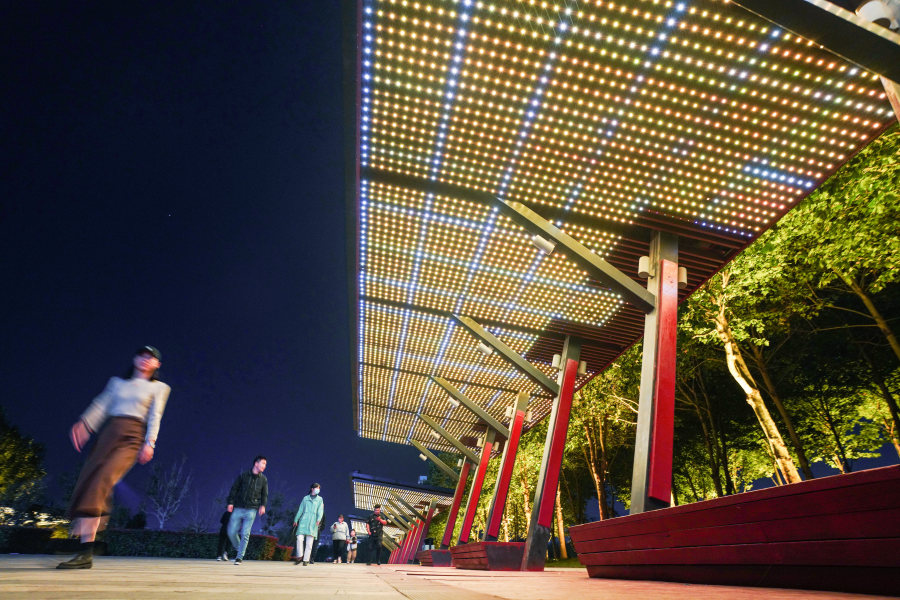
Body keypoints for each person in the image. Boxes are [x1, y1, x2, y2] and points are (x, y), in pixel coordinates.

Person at [57, 346, 170, 570]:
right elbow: (101, 405)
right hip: (108, 435)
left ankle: (87, 550)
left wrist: (150, 443)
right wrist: (85, 424)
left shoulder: (159, 388)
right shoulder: (117, 383)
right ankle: (85, 552)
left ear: (157, 365)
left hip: (132, 437)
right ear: (135, 359)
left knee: (102, 480)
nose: (146, 359)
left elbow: (155, 416)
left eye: (151, 358)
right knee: (90, 483)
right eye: (142, 355)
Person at [225, 455, 268, 565]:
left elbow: (264, 494)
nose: (264, 466)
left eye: (265, 464)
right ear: (256, 463)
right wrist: (230, 502)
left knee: (245, 533)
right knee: (231, 532)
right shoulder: (243, 476)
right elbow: (234, 489)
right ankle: (239, 548)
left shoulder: (263, 479)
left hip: (252, 509)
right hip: (238, 507)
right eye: (263, 463)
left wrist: (263, 505)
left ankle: (239, 557)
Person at [292, 482, 323, 566]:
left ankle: (306, 560)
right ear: (312, 489)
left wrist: (318, 519)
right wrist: (296, 519)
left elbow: (320, 510)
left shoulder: (320, 499)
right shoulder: (305, 498)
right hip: (303, 520)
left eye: (319, 488)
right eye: (317, 488)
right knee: (299, 538)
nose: (318, 490)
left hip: (313, 522)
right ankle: (299, 556)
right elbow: (300, 509)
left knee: (309, 542)